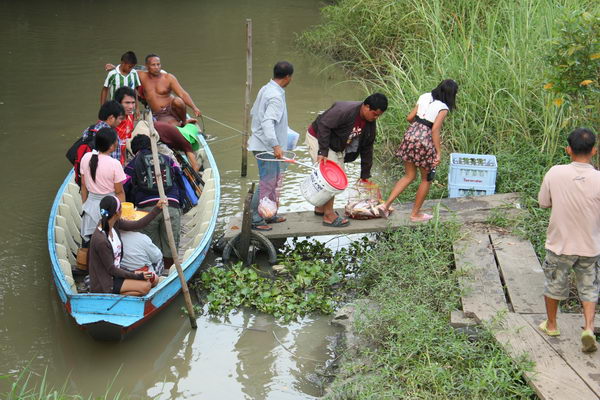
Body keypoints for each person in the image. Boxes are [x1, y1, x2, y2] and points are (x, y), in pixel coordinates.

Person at [537, 128, 600, 353]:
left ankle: (552, 325)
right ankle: (589, 328)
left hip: (560, 244)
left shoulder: (555, 173)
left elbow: (544, 202)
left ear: (568, 150)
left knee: (554, 283)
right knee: (590, 287)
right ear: (594, 150)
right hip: (590, 246)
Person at [378, 80, 458, 222]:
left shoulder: (425, 96)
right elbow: (435, 130)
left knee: (408, 176)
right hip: (425, 142)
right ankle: (415, 214)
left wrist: (417, 128)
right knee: (426, 179)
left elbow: (409, 117)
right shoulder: (443, 108)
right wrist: (438, 152)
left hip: (410, 135)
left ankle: (385, 205)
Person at [306, 93, 388, 227]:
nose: (376, 118)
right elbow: (324, 125)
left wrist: (365, 175)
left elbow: (367, 148)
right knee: (331, 179)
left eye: (378, 115)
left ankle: (321, 208)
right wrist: (323, 151)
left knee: (339, 178)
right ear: (366, 107)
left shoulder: (370, 123)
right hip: (319, 138)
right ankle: (329, 215)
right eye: (374, 114)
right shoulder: (344, 110)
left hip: (335, 144)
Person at [247, 61, 295, 231]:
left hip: (261, 143)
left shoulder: (266, 88)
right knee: (266, 182)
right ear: (288, 77)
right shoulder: (275, 96)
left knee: (272, 181)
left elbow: (254, 112)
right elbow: (268, 122)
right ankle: (254, 218)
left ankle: (269, 214)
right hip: (266, 147)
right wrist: (275, 145)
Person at [123, 134, 183, 270]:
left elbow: (124, 187)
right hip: (171, 204)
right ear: (151, 146)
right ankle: (170, 272)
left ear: (134, 151)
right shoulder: (168, 159)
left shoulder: (132, 165)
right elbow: (180, 181)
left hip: (147, 210)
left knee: (151, 246)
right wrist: (180, 204)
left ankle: (157, 274)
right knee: (171, 245)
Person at [88, 195, 163, 296]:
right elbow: (111, 269)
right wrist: (138, 276)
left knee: (155, 279)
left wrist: (157, 209)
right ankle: (115, 298)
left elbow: (137, 224)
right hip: (107, 281)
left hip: (117, 273)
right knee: (146, 286)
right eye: (121, 208)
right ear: (117, 213)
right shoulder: (101, 240)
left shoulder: (114, 223)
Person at [80, 128, 126, 243]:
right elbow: (119, 192)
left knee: (90, 244)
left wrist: (85, 205)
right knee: (109, 242)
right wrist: (121, 214)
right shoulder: (115, 164)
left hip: (90, 209)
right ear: (111, 146)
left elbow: (83, 186)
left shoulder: (86, 158)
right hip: (109, 208)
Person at [139, 54, 201, 126]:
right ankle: (178, 123)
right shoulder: (141, 76)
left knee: (178, 101)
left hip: (172, 108)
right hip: (160, 113)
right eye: (153, 65)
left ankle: (184, 121)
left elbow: (182, 94)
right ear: (147, 66)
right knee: (173, 126)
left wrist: (194, 108)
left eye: (158, 64)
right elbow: (126, 71)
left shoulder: (168, 77)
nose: (156, 67)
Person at [114, 86, 137, 164]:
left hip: (125, 157)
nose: (131, 107)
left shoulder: (130, 116)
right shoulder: (111, 121)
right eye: (127, 103)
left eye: (133, 103)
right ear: (118, 103)